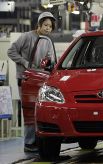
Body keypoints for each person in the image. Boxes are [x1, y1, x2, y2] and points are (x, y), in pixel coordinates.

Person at [7, 11, 56, 152]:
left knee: (38, 110)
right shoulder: (26, 37)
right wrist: (24, 62)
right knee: (29, 110)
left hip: (39, 79)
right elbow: (11, 51)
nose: (48, 28)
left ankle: (36, 141)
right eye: (45, 25)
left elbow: (49, 59)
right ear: (39, 24)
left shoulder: (47, 41)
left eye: (50, 26)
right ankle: (29, 143)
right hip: (25, 78)